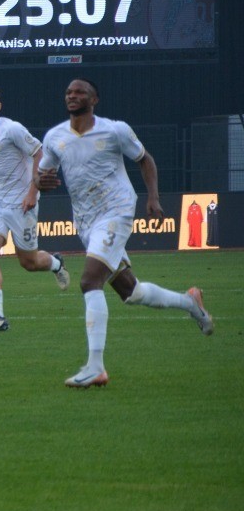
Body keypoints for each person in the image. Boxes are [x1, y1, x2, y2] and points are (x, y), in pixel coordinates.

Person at [36, 78, 213, 388]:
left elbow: (144, 159)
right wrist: (40, 183)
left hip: (116, 210)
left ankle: (95, 367)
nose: (73, 95)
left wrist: (153, 197)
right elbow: (43, 175)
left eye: (80, 91)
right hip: (86, 220)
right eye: (68, 92)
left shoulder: (115, 129)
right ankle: (190, 303)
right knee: (130, 292)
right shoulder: (54, 136)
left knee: (90, 280)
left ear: (95, 99)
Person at [0, 85, 69, 332]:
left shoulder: (12, 129)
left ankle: (55, 263)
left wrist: (33, 191)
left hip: (22, 203)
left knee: (28, 262)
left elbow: (38, 153)